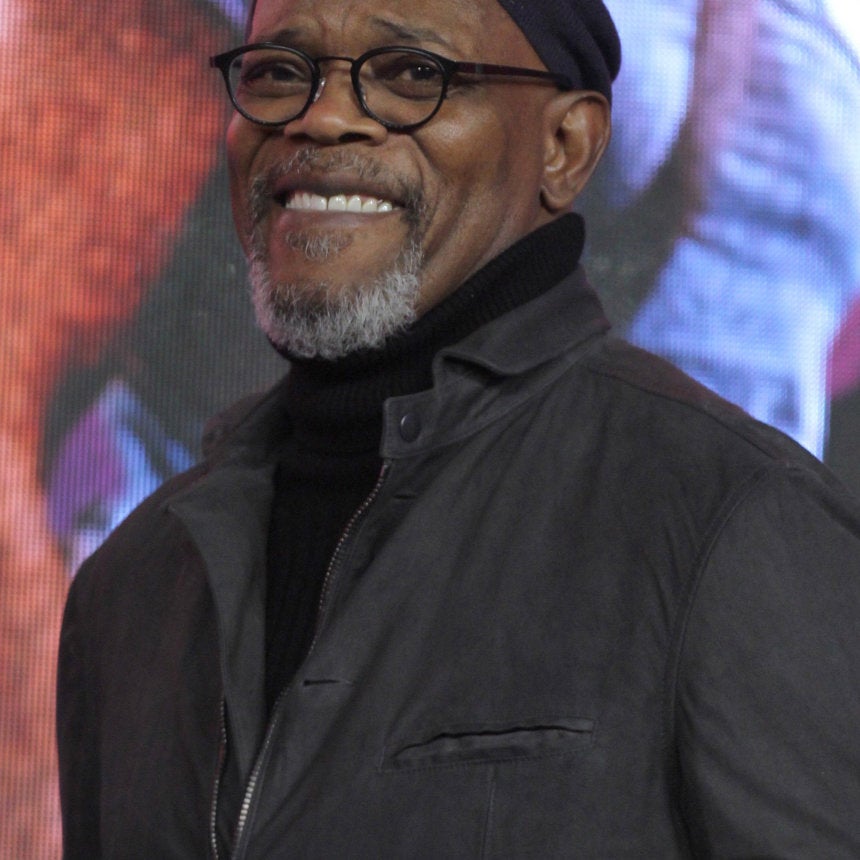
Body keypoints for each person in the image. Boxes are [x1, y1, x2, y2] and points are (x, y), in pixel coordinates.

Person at [56, 0, 860, 856]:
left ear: (566, 145)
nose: (322, 117)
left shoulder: (728, 525)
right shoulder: (132, 585)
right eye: (280, 73)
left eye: (414, 74)